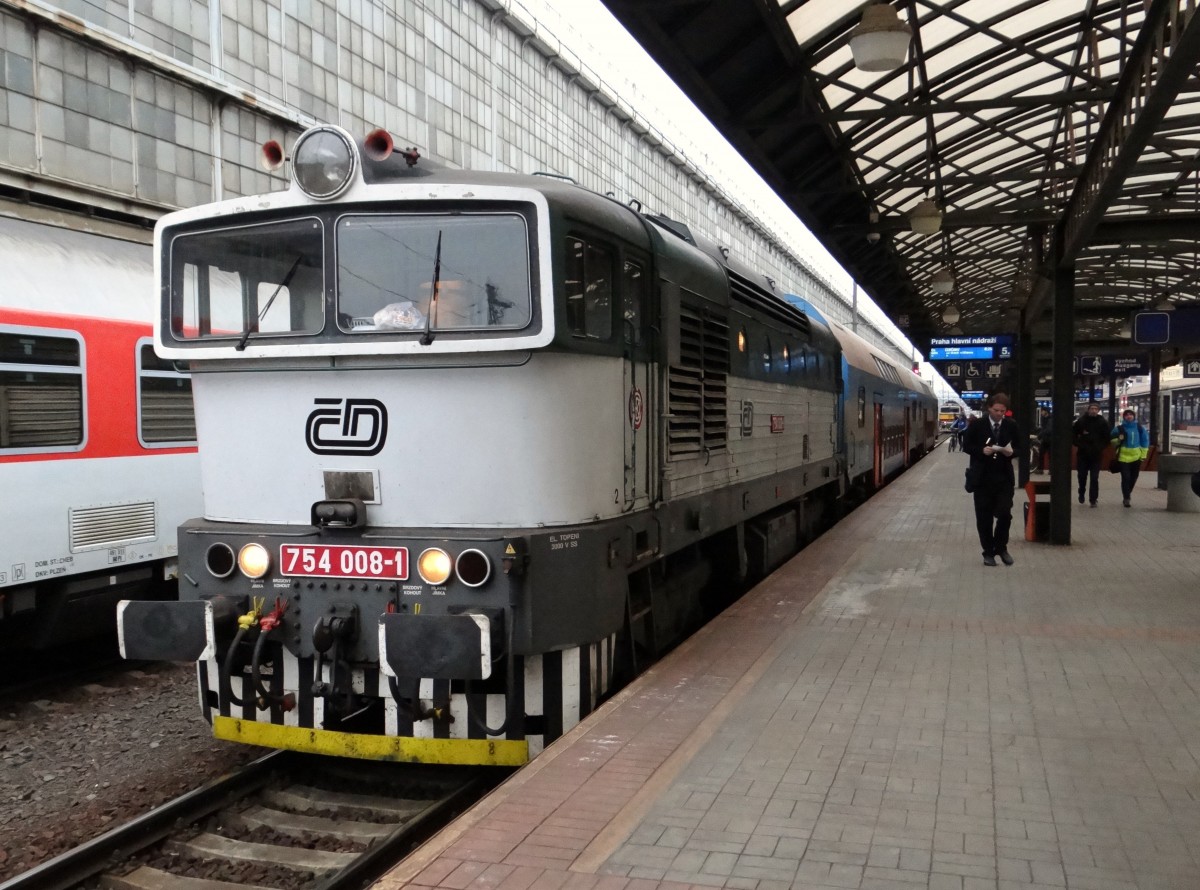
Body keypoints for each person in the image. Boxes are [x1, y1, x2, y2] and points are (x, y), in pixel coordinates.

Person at [963, 393, 1019, 566]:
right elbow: (966, 445)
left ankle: (1001, 547)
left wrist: (1012, 452)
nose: (999, 414)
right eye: (996, 410)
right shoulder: (977, 425)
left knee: (1005, 514)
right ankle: (988, 552)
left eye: (1003, 411)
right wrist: (981, 450)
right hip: (982, 478)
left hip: (1003, 478)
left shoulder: (1011, 425)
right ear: (989, 408)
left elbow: (1020, 446)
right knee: (984, 517)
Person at [1072, 401, 1110, 507]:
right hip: (1083, 454)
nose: (1093, 410)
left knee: (1094, 478)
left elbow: (1107, 438)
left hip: (1096, 455)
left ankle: (1093, 499)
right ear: (1088, 410)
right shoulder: (1081, 421)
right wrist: (1079, 444)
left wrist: (1100, 447)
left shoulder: (1102, 422)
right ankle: (1081, 492)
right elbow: (1073, 434)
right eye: (1092, 408)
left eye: (1095, 409)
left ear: (1098, 410)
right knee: (1082, 476)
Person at [1111, 408, 1149, 508]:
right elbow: (1111, 440)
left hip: (1136, 457)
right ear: (1124, 417)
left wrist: (1143, 455)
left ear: (1134, 416)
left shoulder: (1139, 428)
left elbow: (1145, 441)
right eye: (1127, 415)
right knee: (1126, 478)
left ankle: (1128, 491)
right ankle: (1126, 498)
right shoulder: (1119, 428)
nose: (1129, 416)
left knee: (1133, 477)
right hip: (1123, 457)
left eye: (1130, 415)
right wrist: (1118, 440)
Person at [1032, 406, 1051, 473]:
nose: (1041, 412)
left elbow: (1048, 430)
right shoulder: (1043, 418)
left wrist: (1039, 436)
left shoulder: (1050, 419)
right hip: (1045, 439)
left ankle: (1050, 470)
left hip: (1050, 440)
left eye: (1042, 411)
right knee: (1041, 454)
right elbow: (1043, 429)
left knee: (1050, 455)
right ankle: (1040, 469)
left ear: (1046, 411)